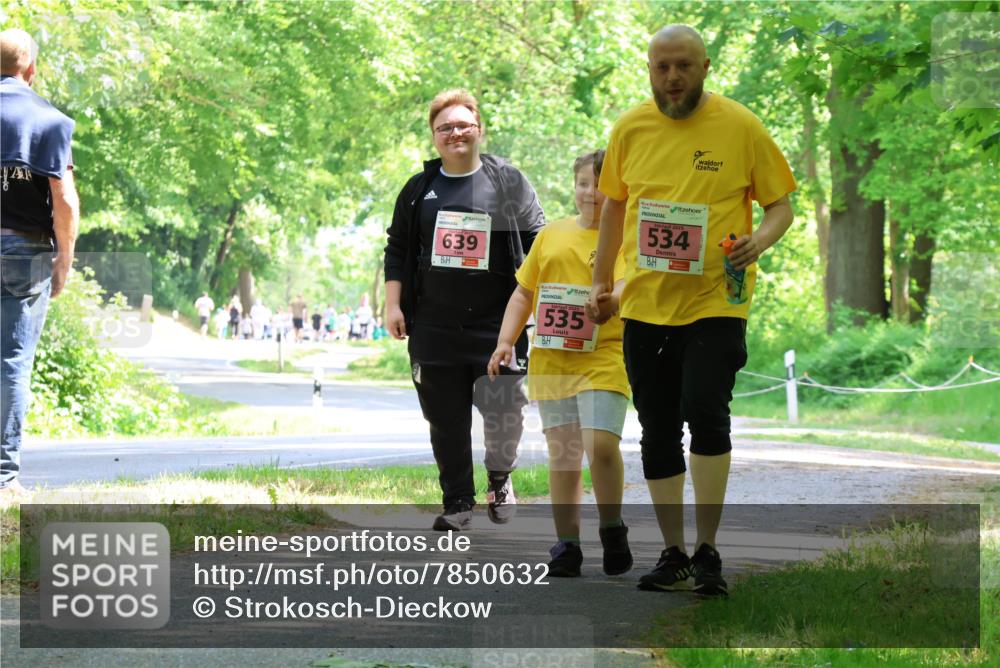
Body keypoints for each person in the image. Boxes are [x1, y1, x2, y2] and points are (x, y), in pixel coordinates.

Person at [588, 25, 796, 596]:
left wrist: (761, 239)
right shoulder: (630, 128)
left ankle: (708, 549)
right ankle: (674, 552)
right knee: (656, 428)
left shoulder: (741, 125)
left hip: (717, 298)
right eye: (662, 68)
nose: (672, 78)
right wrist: (600, 281)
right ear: (649, 69)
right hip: (646, 301)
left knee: (706, 409)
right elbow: (612, 209)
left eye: (683, 66)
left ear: (705, 66)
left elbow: (780, 204)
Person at [383, 89, 545, 530]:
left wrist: (541, 303)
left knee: (505, 411)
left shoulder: (508, 182)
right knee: (446, 420)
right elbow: (397, 248)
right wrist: (392, 304)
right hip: (434, 326)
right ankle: (457, 502)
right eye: (445, 128)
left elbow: (539, 246)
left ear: (479, 129)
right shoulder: (420, 190)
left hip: (498, 325)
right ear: (434, 137)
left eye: (463, 125)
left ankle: (500, 477)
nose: (455, 133)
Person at [488, 150, 631, 577]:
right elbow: (522, 293)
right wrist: (504, 341)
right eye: (584, 183)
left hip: (604, 355)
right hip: (553, 360)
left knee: (600, 445)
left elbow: (627, 283)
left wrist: (610, 299)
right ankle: (567, 544)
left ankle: (612, 527)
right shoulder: (550, 235)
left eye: (602, 186)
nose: (592, 193)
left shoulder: (623, 237)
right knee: (565, 455)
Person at [1, 29, 79, 499]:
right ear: (31, 69)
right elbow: (64, 199)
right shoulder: (50, 121)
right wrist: (64, 259)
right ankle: (4, 478)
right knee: (11, 360)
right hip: (24, 253)